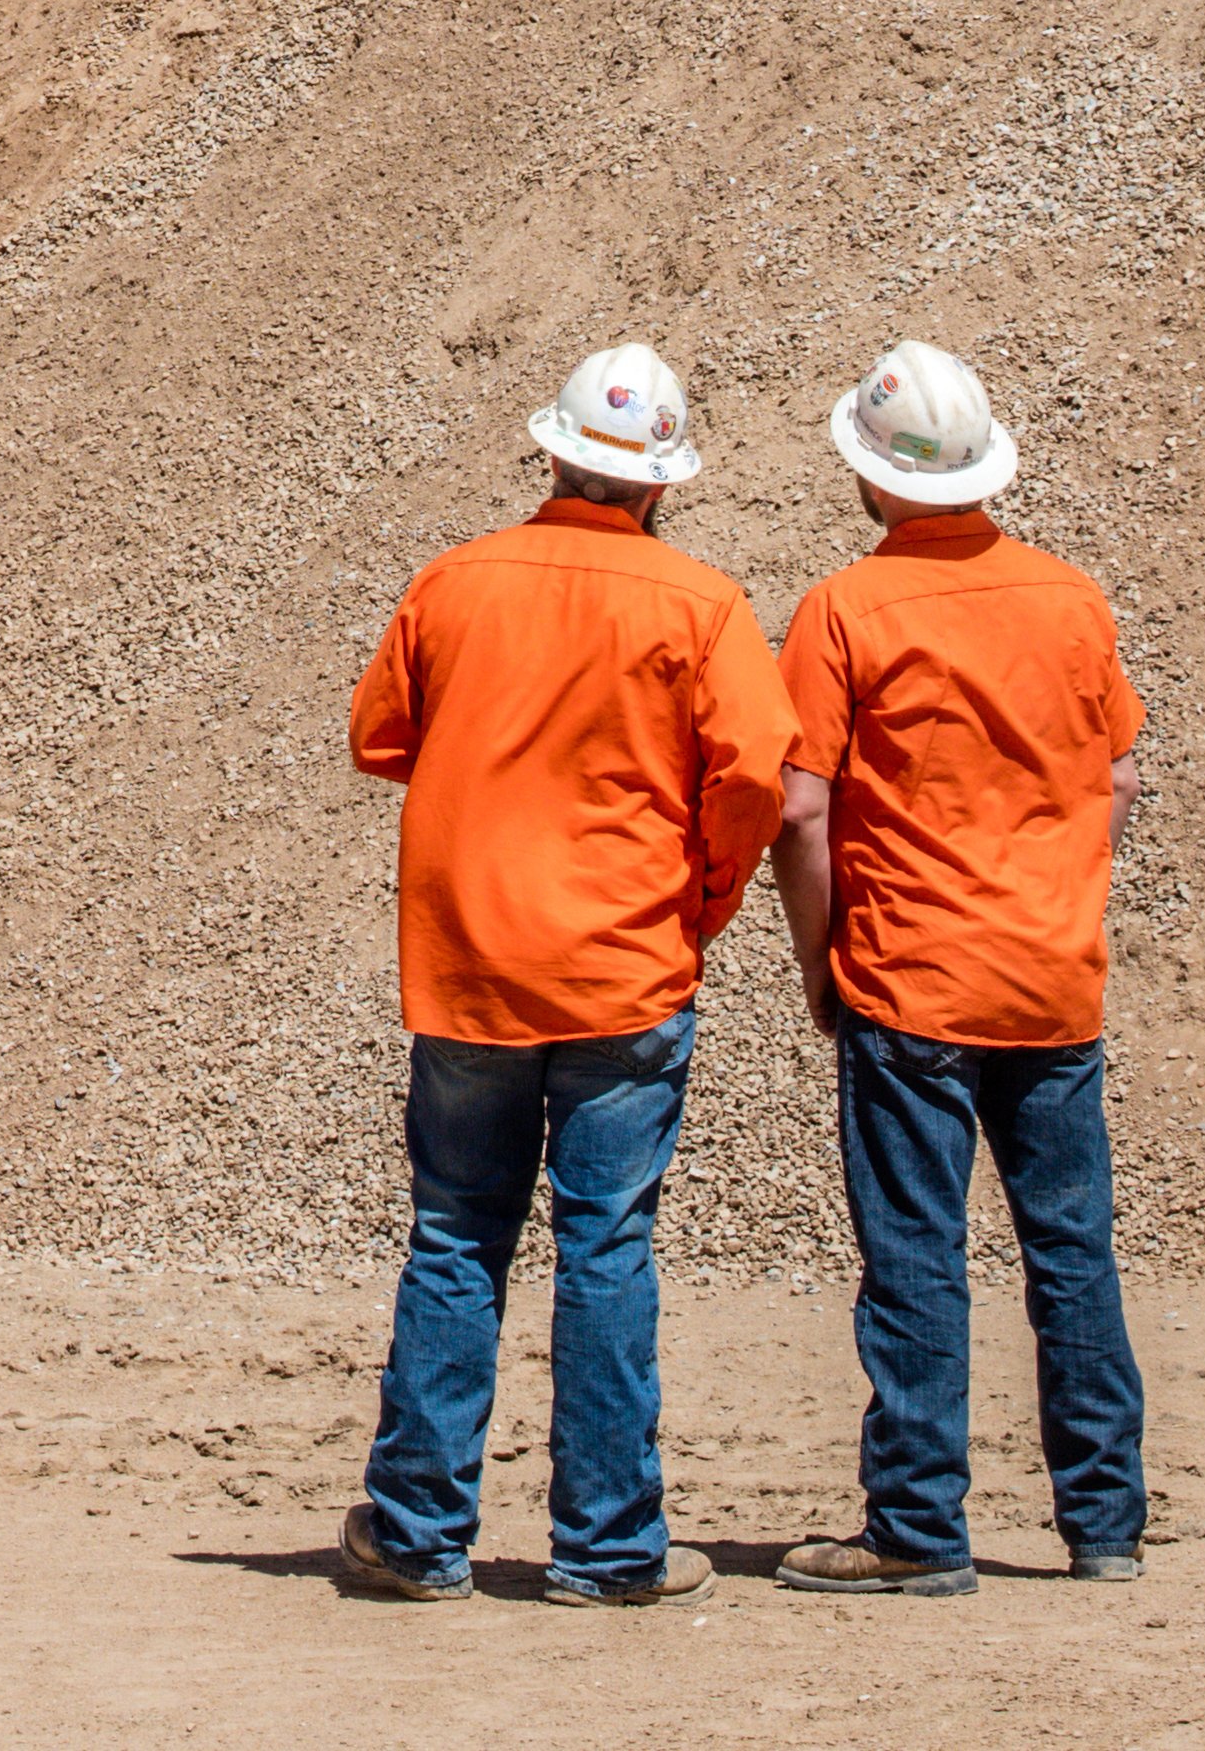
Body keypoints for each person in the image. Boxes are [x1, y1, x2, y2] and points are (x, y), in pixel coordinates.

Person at [331, 340, 796, 1610]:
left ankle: (419, 1535)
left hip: (470, 969)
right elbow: (755, 778)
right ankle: (608, 1548)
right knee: (606, 1248)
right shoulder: (700, 606)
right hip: (625, 972)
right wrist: (700, 901)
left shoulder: (457, 580)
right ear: (660, 481)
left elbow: (381, 739)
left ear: (553, 451)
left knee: (455, 1236)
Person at [762, 341, 1150, 1599]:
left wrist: (821, 964)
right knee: (1071, 1249)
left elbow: (803, 811)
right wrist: (1056, 895)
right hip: (1051, 978)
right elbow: (1120, 776)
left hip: (910, 977)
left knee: (917, 1253)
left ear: (870, 476)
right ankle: (1105, 1524)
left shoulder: (842, 611)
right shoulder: (1070, 600)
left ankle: (919, 1529)